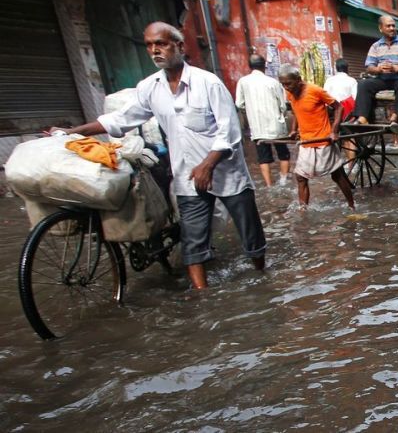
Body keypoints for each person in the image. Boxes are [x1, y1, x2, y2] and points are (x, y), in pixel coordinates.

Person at [51, 22, 267, 290]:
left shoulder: (207, 83)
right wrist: (75, 131)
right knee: (193, 240)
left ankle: (261, 277)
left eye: (161, 44)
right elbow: (122, 119)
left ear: (179, 46)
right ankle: (203, 297)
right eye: (150, 45)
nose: (155, 50)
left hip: (227, 174)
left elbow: (230, 132)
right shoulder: (149, 87)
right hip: (187, 178)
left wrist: (208, 165)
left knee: (251, 236)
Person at [279, 64, 355, 209]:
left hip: (323, 140)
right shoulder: (290, 94)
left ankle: (351, 204)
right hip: (306, 141)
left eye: (288, 83)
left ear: (299, 80)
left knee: (337, 175)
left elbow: (339, 107)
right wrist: (294, 129)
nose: (286, 87)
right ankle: (303, 210)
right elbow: (296, 111)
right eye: (283, 84)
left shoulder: (315, 90)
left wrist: (334, 131)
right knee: (301, 177)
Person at [235, 54, 290, 187]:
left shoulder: (243, 82)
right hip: (276, 125)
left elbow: (239, 104)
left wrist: (249, 110)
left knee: (263, 158)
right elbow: (283, 105)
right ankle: (283, 182)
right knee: (284, 154)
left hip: (257, 126)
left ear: (250, 66)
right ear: (264, 66)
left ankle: (269, 185)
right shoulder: (273, 82)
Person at [354, 15, 398, 126]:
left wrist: (395, 69)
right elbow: (369, 67)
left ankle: (395, 116)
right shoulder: (375, 46)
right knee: (363, 84)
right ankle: (363, 117)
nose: (392, 28)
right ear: (381, 28)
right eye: (388, 26)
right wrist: (378, 69)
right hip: (383, 79)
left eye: (393, 26)